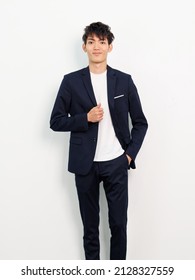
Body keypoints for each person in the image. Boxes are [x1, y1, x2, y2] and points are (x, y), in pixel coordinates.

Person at [50, 22, 148, 260]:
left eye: (102, 42)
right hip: (85, 165)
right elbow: (56, 121)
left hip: (116, 162)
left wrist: (128, 155)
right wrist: (86, 118)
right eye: (91, 42)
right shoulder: (71, 82)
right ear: (84, 47)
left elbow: (140, 122)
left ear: (110, 47)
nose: (97, 47)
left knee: (118, 227)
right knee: (90, 229)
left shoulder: (124, 81)